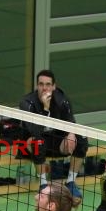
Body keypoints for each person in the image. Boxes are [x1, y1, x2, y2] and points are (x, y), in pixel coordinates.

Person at [19, 69, 88, 199]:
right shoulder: (27, 103)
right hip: (32, 143)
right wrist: (45, 108)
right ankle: (43, 184)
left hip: (56, 142)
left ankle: (71, 182)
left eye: (48, 84)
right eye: (41, 84)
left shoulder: (62, 100)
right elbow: (36, 131)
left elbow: (71, 122)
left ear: (54, 86)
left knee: (82, 138)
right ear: (37, 86)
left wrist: (71, 133)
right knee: (38, 141)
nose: (44, 88)